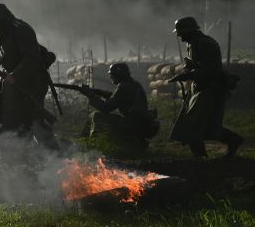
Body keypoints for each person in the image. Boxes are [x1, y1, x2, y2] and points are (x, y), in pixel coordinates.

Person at [0, 3, 58, 148]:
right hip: (15, 83)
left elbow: (32, 58)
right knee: (14, 120)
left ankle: (54, 155)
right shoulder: (6, 30)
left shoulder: (21, 30)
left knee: (33, 120)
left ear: (0, 18)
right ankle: (18, 154)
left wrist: (15, 75)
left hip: (31, 83)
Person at [168, 17, 244, 157]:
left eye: (180, 32)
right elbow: (193, 64)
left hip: (211, 88)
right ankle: (233, 140)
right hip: (200, 87)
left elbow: (211, 69)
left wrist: (188, 76)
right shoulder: (192, 43)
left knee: (192, 124)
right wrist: (184, 71)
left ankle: (200, 159)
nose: (179, 35)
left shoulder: (206, 44)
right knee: (205, 126)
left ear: (189, 30)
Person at [81, 62, 157, 148]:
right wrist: (100, 93)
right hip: (140, 124)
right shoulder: (135, 84)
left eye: (112, 75)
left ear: (118, 75)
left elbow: (106, 108)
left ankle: (91, 146)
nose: (110, 77)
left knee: (96, 116)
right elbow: (120, 98)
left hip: (132, 124)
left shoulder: (123, 86)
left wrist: (91, 95)